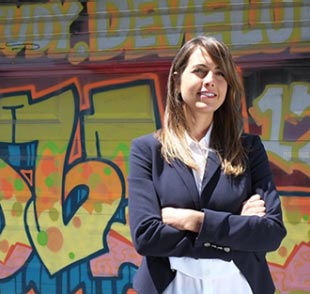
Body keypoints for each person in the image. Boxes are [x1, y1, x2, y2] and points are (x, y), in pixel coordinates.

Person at [128, 35, 286, 294]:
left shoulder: (249, 149)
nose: (210, 80)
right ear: (178, 80)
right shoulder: (147, 151)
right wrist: (235, 229)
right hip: (172, 286)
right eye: (200, 71)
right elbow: (147, 237)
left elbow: (271, 233)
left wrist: (195, 221)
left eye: (220, 73)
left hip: (238, 285)